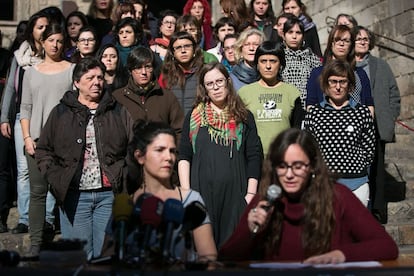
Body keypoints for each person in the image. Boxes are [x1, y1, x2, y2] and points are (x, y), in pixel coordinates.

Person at [219, 128, 399, 263]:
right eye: (282, 166)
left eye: (297, 166)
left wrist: (342, 255)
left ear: (312, 166)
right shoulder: (265, 201)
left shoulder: (338, 197)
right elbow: (226, 257)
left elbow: (387, 247)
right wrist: (249, 231)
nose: (289, 175)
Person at [35, 57, 133, 261]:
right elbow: (44, 149)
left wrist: (124, 173)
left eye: (100, 77)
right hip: (74, 196)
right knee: (79, 258)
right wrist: (55, 177)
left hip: (109, 195)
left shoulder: (117, 110)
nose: (97, 82)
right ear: (77, 82)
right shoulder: (61, 112)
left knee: (107, 256)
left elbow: (133, 146)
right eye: (90, 78)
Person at [102, 120, 217, 263]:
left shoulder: (192, 201)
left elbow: (209, 259)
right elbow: (106, 258)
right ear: (140, 156)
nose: (168, 158)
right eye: (159, 150)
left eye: (172, 151)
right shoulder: (125, 206)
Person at [178, 62, 263, 247]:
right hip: (200, 195)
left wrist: (250, 194)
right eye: (210, 84)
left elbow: (254, 156)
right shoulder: (193, 117)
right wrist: (186, 193)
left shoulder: (244, 117)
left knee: (231, 253)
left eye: (219, 81)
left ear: (228, 82)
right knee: (203, 253)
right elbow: (184, 155)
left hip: (235, 197)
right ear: (204, 88)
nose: (215, 87)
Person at [20, 23, 75, 256]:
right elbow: (25, 108)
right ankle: (35, 241)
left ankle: (69, 238)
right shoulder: (31, 72)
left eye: (60, 41)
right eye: (51, 40)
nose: (55, 45)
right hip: (37, 141)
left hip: (64, 142)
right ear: (42, 42)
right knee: (38, 192)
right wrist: (27, 137)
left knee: (65, 191)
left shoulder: (72, 70)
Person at [0, 11, 49, 235]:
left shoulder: (52, 56)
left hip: (48, 117)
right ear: (32, 30)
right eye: (40, 27)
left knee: (47, 167)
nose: (44, 31)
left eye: (47, 27)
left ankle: (47, 219)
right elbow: (10, 89)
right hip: (23, 117)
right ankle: (25, 218)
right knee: (23, 170)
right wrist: (4, 118)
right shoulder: (19, 57)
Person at [303, 60, 376, 206]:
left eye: (343, 82)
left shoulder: (361, 113)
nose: (338, 87)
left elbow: (369, 149)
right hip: (323, 184)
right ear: (325, 83)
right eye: (333, 81)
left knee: (356, 228)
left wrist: (357, 166)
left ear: (350, 84)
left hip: (357, 184)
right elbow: (307, 149)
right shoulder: (314, 114)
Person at [353, 25, 401, 223]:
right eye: (359, 39)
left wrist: (389, 117)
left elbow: (394, 94)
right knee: (358, 168)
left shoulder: (381, 65)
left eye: (366, 38)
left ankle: (378, 210)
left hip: (378, 125)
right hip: (353, 126)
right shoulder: (345, 66)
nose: (363, 41)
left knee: (377, 170)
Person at [238, 41, 303, 155]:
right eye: (263, 61)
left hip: (284, 157)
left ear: (280, 64)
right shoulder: (244, 93)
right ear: (257, 64)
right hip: (255, 158)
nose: (268, 66)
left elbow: (297, 131)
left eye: (273, 61)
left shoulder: (292, 93)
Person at [112, 47, 184, 140]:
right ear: (130, 71)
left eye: (148, 67)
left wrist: (171, 152)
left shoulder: (167, 97)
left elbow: (179, 130)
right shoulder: (118, 97)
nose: (144, 72)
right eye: (138, 68)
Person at [306, 25, 374, 116]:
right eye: (337, 40)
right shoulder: (317, 73)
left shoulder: (360, 73)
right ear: (331, 43)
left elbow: (369, 105)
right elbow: (311, 104)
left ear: (351, 45)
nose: (341, 44)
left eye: (346, 41)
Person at [281, 16, 321, 109]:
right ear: (283, 35)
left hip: (308, 109)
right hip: (285, 107)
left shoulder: (313, 59)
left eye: (298, 33)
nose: (294, 36)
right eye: (290, 32)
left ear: (303, 36)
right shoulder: (278, 58)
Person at [159, 31, 204, 115]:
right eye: (178, 47)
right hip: (174, 125)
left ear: (194, 49)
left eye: (187, 46)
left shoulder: (204, 73)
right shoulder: (166, 75)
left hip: (197, 124)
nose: (183, 51)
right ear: (172, 53)